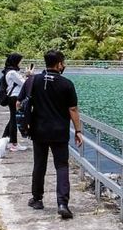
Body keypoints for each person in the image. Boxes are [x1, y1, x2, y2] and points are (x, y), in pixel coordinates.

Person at [27, 50, 83, 219]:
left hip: (39, 130)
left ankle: (37, 199)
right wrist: (78, 130)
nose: (64, 65)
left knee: (39, 164)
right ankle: (62, 203)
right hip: (60, 131)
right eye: (63, 62)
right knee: (61, 165)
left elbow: (20, 103)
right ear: (59, 64)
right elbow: (72, 109)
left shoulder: (33, 80)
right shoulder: (67, 83)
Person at [1, 53, 30, 153]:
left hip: (12, 97)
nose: (21, 63)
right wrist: (29, 75)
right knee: (14, 119)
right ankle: (14, 143)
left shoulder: (9, 71)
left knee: (12, 119)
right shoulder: (13, 72)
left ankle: (5, 139)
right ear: (15, 61)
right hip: (15, 97)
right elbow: (24, 83)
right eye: (20, 61)